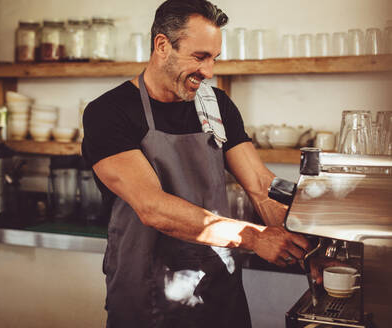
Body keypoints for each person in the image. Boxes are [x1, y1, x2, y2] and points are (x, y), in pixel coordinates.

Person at [81, 0, 310, 327]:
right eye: (199, 57)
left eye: (214, 58)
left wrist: (307, 243)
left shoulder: (217, 105)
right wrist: (255, 237)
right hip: (147, 297)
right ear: (162, 45)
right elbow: (152, 206)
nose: (209, 72)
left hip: (219, 292)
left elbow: (261, 187)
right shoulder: (109, 112)